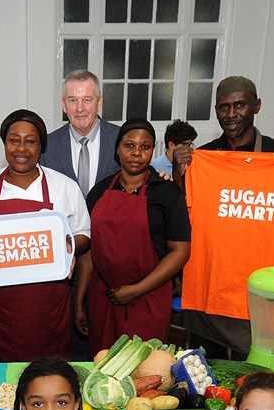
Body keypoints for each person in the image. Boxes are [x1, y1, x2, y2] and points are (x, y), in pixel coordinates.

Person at [175, 76, 274, 359]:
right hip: (210, 290)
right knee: (205, 372)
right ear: (216, 111)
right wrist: (181, 173)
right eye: (224, 107)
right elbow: (182, 214)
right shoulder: (203, 159)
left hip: (260, 294)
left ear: (257, 106)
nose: (232, 114)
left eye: (240, 105)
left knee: (254, 375)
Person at [0, 109, 91, 362]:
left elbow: (84, 234)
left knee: (48, 378)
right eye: (14, 140)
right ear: (5, 144)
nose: (21, 149)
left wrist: (68, 245)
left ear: (41, 147)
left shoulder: (65, 187)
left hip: (47, 310)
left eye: (30, 141)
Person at [74, 119, 191, 353]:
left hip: (148, 299)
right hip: (103, 299)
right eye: (129, 145)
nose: (137, 153)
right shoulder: (99, 192)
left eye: (145, 147)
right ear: (117, 150)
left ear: (152, 151)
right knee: (103, 368)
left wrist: (136, 289)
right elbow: (88, 253)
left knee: (145, 372)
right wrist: (79, 302)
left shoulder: (167, 193)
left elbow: (180, 252)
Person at [40, 70, 121, 195]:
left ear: (99, 103)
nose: (80, 108)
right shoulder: (48, 146)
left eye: (87, 100)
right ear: (64, 105)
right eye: (73, 100)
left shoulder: (121, 139)